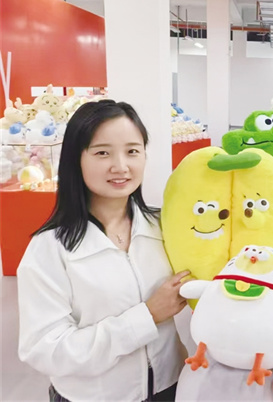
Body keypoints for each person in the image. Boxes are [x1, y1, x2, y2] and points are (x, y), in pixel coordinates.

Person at [18, 100, 189, 401]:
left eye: (132, 151)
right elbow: (46, 349)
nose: (120, 166)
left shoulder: (164, 225)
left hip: (171, 386)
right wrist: (147, 316)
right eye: (102, 153)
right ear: (76, 159)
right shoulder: (50, 248)